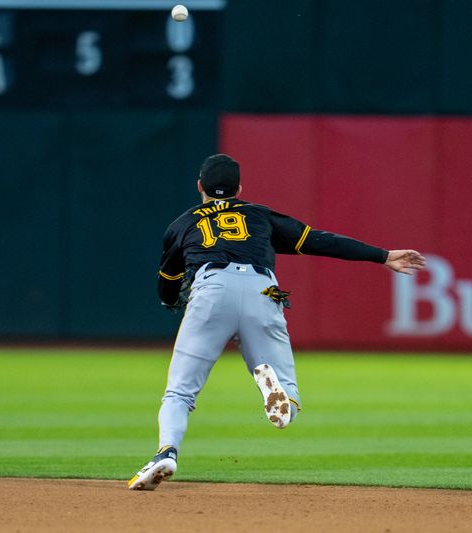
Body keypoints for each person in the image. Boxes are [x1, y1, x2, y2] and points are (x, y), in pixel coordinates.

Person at [127, 154, 426, 490]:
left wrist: (170, 300)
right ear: (240, 188)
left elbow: (168, 283)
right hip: (264, 291)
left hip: (211, 290)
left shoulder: (182, 224)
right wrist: (383, 256)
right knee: (290, 398)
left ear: (200, 187)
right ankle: (277, 391)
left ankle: (167, 452)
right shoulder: (259, 216)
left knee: (180, 392)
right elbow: (320, 241)